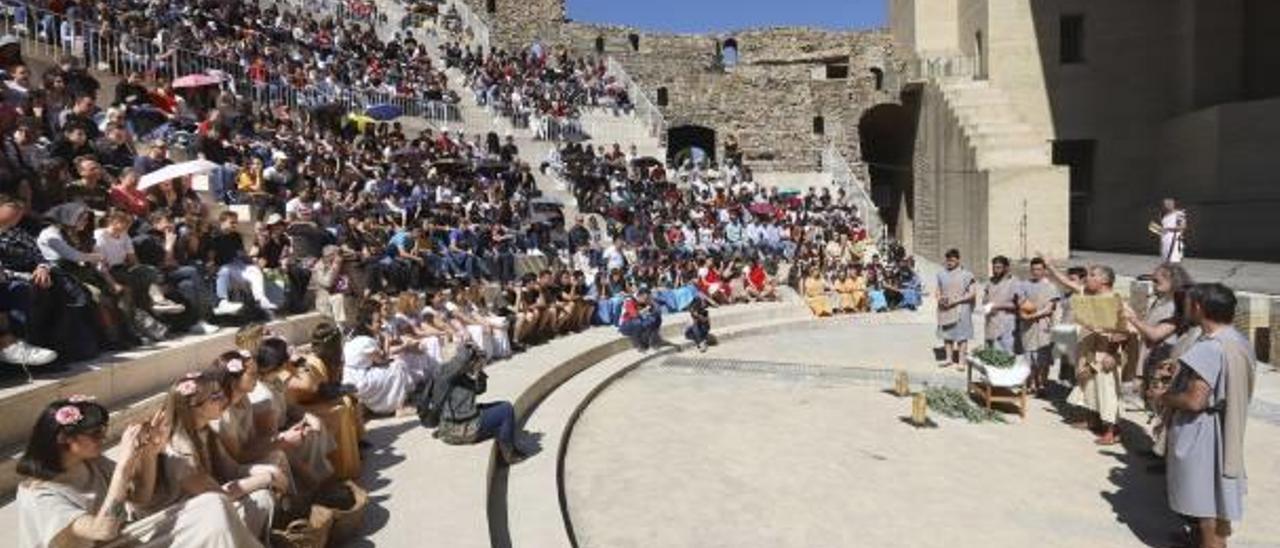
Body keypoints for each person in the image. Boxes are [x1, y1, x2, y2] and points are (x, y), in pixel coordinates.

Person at [16, 397, 263, 548]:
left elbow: (141, 496)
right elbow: (102, 530)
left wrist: (149, 454)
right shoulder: (39, 493)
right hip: (108, 539)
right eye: (94, 434)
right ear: (63, 438)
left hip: (117, 540)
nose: (102, 438)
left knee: (213, 503)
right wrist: (124, 465)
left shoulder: (90, 462)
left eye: (103, 431)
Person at [1153, 283, 1255, 548]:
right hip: (1222, 427)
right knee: (1210, 502)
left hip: (1203, 434)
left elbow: (1195, 400)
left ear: (1198, 307)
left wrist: (1163, 397)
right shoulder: (1237, 339)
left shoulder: (1211, 346)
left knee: (1207, 507)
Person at [1051, 261, 1130, 445]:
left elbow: (1123, 332)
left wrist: (1111, 355)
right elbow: (1069, 284)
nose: (1088, 278)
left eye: (1093, 275)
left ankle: (1112, 431)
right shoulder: (1090, 296)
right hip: (1089, 352)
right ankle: (1092, 420)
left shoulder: (1116, 300)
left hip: (1106, 356)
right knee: (1090, 389)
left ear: (1104, 280)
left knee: (1107, 392)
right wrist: (1051, 267)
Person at [430, 341, 529, 464]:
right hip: (461, 429)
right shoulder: (445, 375)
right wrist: (468, 351)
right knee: (506, 409)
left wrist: (478, 370)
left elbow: (479, 389)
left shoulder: (455, 375)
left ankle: (503, 444)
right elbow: (460, 361)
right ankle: (509, 454)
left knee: (500, 406)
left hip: (454, 425)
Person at [1017, 257, 1057, 395]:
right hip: (1027, 327)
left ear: (1044, 270)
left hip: (1044, 326)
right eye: (1034, 269)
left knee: (1043, 358)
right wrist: (1026, 315)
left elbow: (1050, 308)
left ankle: (1042, 384)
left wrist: (1032, 316)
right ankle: (1032, 383)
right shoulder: (1023, 285)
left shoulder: (1051, 287)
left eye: (1039, 269)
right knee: (1029, 357)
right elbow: (1021, 304)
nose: (1036, 272)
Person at [936, 249, 976, 369]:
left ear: (958, 260)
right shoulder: (941, 274)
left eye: (952, 260)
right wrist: (939, 298)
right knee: (947, 334)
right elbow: (938, 289)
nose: (950, 263)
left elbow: (972, 293)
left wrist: (956, 301)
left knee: (961, 335)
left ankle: (961, 361)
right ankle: (948, 358)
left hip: (961, 307)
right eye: (948, 260)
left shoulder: (967, 275)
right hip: (945, 307)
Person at [982, 256, 1018, 353]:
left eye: (999, 267)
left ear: (1006, 268)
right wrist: (986, 304)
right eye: (994, 267)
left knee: (1005, 356)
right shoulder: (989, 282)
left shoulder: (1013, 282)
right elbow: (985, 299)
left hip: (1006, 324)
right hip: (990, 323)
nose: (995, 270)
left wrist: (996, 305)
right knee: (990, 355)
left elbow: (1017, 305)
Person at [618, 287, 662, 351]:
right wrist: (645, 310)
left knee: (655, 318)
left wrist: (652, 307)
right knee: (638, 322)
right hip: (625, 325)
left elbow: (654, 310)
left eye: (648, 298)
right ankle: (638, 345)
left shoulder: (643, 301)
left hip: (636, 321)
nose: (647, 300)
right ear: (640, 296)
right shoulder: (629, 301)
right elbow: (634, 315)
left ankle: (654, 340)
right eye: (646, 298)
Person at [1158, 198, 1186, 263]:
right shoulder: (1164, 216)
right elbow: (1163, 229)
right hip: (1165, 241)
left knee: (1173, 262)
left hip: (1174, 241)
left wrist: (1168, 229)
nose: (1166, 206)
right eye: (1165, 204)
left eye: (1168, 204)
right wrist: (1160, 230)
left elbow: (1183, 226)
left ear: (1173, 204)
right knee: (1165, 262)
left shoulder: (1179, 214)